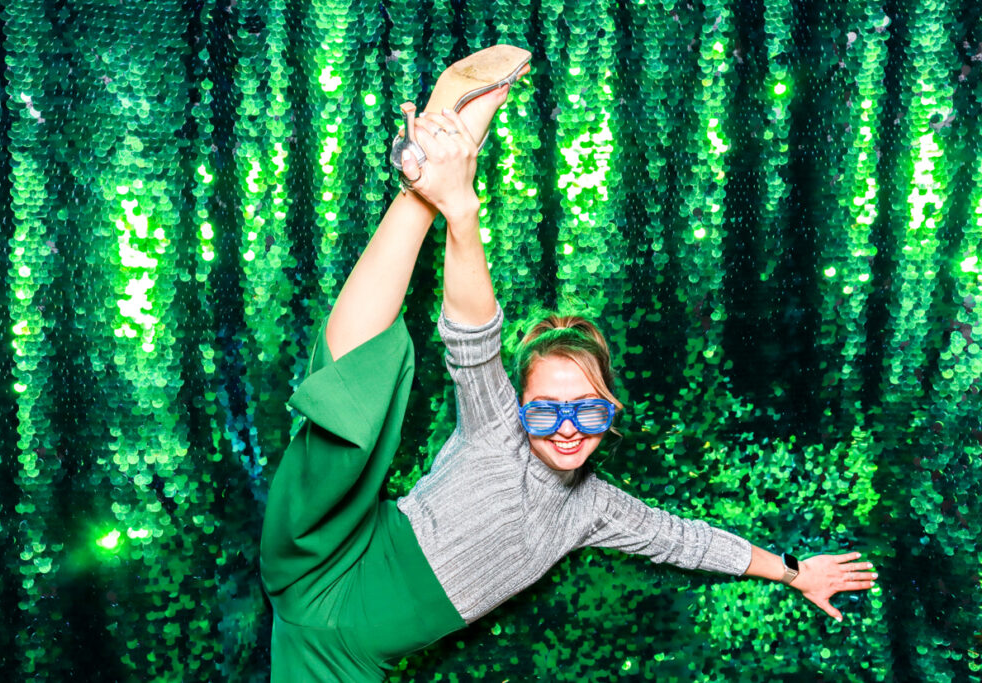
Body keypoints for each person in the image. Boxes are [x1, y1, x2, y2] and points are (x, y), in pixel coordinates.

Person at [259, 46, 878, 682]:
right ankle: (431, 179)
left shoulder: (594, 509)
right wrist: (461, 212)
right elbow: (472, 334)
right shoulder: (497, 432)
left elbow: (686, 539)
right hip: (328, 558)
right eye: (546, 410)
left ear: (609, 415)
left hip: (349, 658)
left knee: (354, 405)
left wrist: (795, 571)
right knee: (351, 413)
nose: (566, 426)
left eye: (587, 409)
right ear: (518, 410)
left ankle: (433, 166)